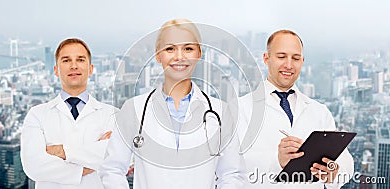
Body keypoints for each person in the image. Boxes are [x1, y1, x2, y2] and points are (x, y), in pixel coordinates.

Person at [99, 19, 245, 189]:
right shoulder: (134, 109)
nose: (179, 56)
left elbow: (232, 174)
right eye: (170, 49)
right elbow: (112, 169)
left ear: (199, 53)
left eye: (188, 49)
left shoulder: (220, 111)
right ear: (158, 55)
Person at [237, 30, 354, 188]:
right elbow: (230, 169)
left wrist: (334, 172)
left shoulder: (319, 111)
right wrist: (277, 162)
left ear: (302, 61)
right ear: (266, 58)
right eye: (281, 56)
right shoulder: (241, 108)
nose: (289, 65)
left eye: (296, 58)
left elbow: (344, 160)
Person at [21, 38, 116, 189]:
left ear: (91, 69)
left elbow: (117, 156)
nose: (73, 65)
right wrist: (91, 161)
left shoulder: (112, 115)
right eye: (66, 60)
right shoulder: (37, 115)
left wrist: (61, 151)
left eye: (80, 59)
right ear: (56, 70)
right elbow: (33, 166)